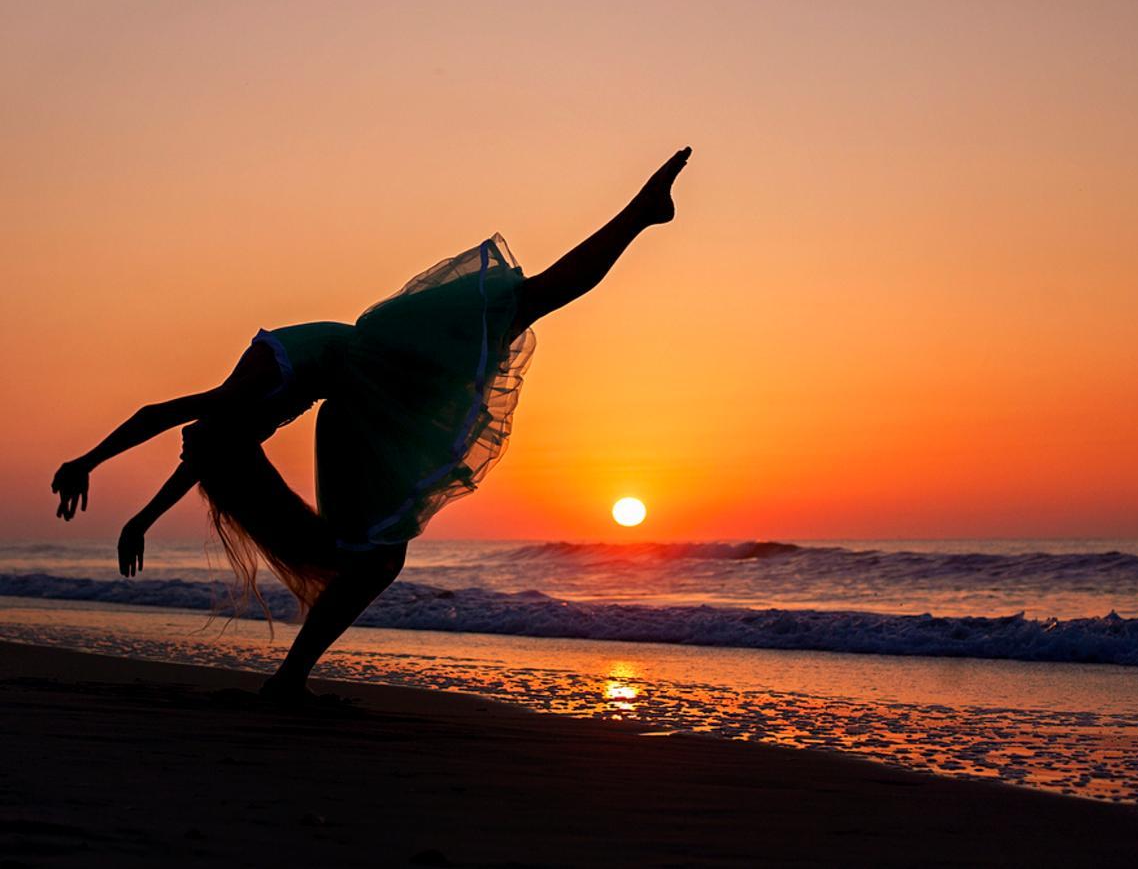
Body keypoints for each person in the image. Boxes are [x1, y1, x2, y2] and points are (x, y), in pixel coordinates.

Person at [49, 147, 692, 703]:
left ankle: (639, 213)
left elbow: (164, 418)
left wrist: (89, 462)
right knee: (378, 553)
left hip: (380, 361)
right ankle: (290, 680)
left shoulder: (248, 394)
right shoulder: (239, 420)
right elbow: (202, 453)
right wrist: (143, 518)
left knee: (528, 300)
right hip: (363, 384)